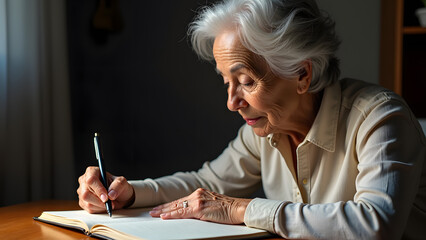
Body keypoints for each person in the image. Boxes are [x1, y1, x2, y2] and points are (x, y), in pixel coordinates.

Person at [77, 0, 426, 239]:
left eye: (246, 81)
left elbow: (376, 225)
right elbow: (205, 183)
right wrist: (128, 192)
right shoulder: (264, 130)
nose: (232, 102)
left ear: (302, 75)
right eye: (226, 81)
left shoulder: (379, 118)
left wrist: (242, 209)